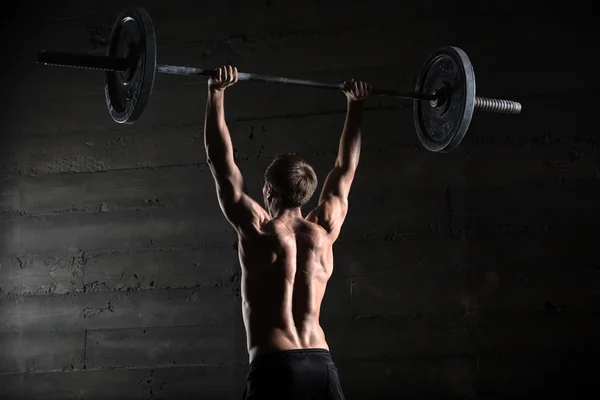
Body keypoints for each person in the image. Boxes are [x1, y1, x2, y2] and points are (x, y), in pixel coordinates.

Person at [204, 65, 371, 399]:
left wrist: (216, 93)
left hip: (275, 366)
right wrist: (355, 105)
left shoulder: (257, 231)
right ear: (306, 193)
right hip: (322, 365)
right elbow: (345, 169)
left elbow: (220, 164)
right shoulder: (324, 229)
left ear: (268, 190)